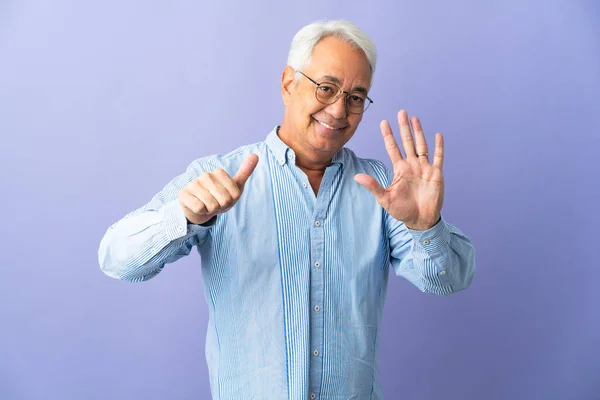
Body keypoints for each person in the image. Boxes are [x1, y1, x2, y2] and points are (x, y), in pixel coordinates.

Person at [99, 19, 475, 400]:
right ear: (289, 83)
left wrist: (425, 225)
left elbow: (447, 280)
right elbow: (117, 259)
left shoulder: (384, 189)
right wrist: (183, 217)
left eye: (356, 97)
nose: (339, 109)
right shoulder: (218, 178)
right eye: (326, 88)